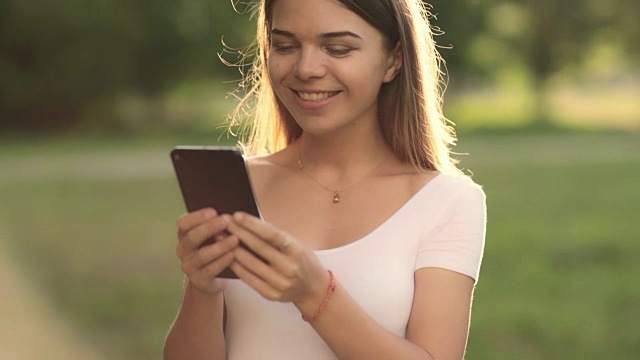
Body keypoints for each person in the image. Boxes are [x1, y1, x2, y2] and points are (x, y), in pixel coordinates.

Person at [164, 0, 486, 359]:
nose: (306, 68)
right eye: (285, 46)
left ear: (393, 60)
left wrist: (315, 292)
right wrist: (202, 286)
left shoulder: (446, 201)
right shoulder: (241, 184)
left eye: (337, 49)